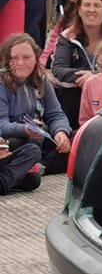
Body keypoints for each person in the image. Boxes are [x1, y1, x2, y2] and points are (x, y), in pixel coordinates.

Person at [0, 32, 71, 175]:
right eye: (14, 58)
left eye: (26, 57)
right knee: (24, 144)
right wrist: (25, 129)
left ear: (35, 58)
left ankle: (38, 167)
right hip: (15, 139)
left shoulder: (41, 80)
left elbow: (55, 114)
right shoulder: (2, 84)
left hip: (40, 135)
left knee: (76, 140)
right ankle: (27, 168)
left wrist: (61, 132)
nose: (20, 63)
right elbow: (1, 125)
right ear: (6, 60)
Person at [51, 0, 102, 127]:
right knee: (69, 93)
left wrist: (95, 77)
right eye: (86, 5)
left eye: (97, 5)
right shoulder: (67, 36)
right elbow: (58, 69)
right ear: (79, 10)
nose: (91, 10)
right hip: (75, 94)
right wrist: (85, 78)